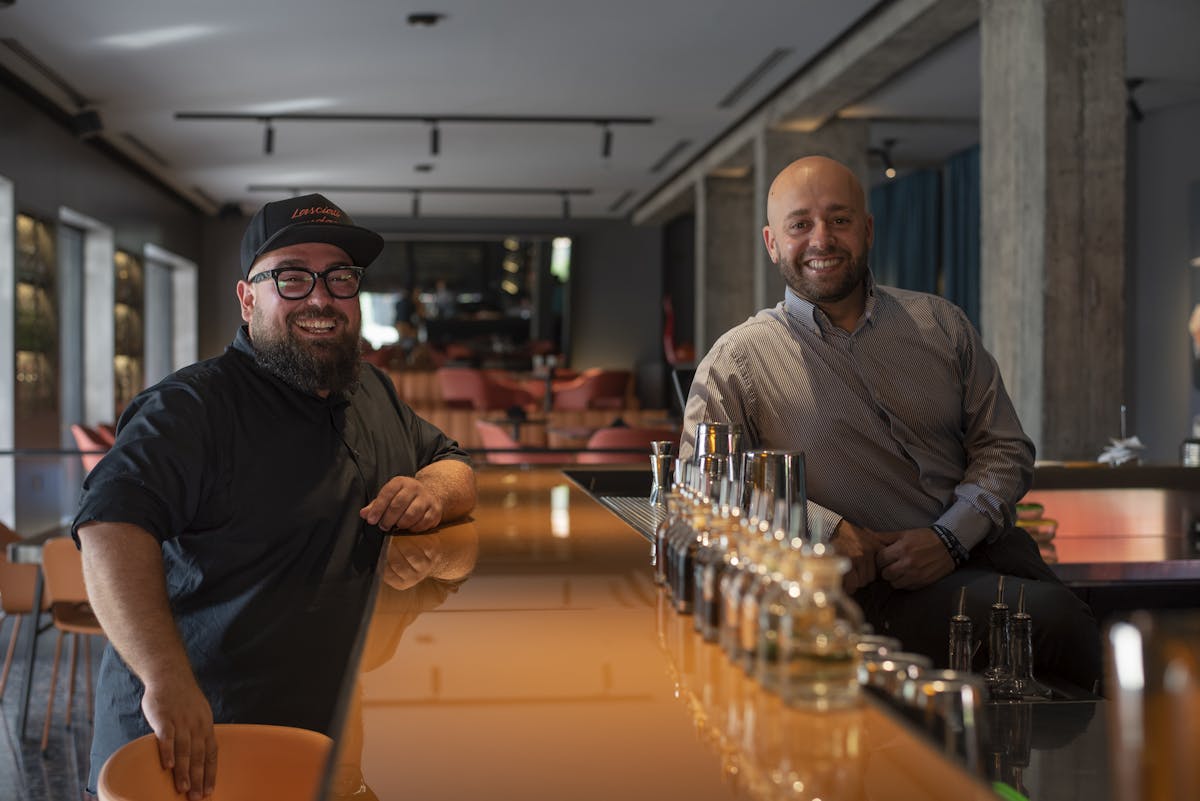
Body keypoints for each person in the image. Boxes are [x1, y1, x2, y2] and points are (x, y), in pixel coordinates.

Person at [74, 193, 477, 799]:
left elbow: (454, 465)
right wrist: (164, 679)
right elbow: (109, 528)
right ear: (247, 297)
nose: (320, 297)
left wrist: (429, 491)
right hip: (194, 748)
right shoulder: (192, 407)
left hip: (327, 740)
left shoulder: (373, 391)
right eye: (290, 277)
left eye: (339, 277)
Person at [679, 156, 1100, 691]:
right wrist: (822, 527)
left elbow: (1005, 447)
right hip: (853, 591)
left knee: (1080, 630)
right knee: (1058, 624)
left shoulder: (940, 324)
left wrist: (948, 538)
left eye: (840, 219)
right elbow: (704, 489)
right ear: (771, 242)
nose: (822, 239)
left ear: (868, 229)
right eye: (800, 224)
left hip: (982, 554)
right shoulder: (737, 361)